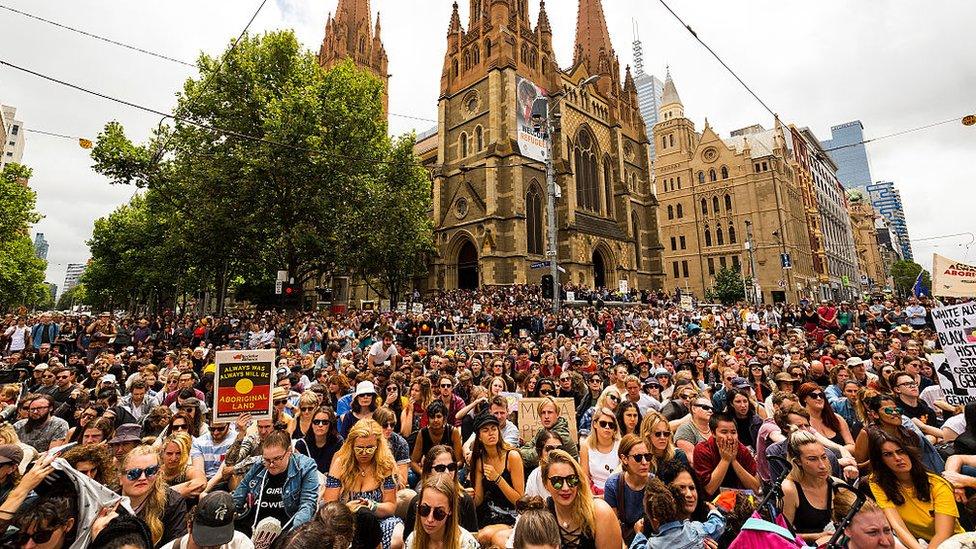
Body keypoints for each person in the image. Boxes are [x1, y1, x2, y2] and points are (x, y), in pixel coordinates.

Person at [866, 427, 963, 548]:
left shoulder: (937, 484)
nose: (898, 458)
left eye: (901, 451)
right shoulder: (877, 481)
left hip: (952, 543)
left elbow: (943, 534)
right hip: (917, 542)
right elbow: (897, 525)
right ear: (880, 461)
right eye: (888, 454)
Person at [323, 418, 404, 549]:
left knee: (396, 539)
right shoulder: (340, 463)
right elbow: (329, 505)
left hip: (379, 520)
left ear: (378, 446)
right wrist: (346, 509)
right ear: (351, 445)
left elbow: (391, 506)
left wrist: (373, 506)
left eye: (370, 448)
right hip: (345, 521)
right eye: (359, 448)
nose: (364, 453)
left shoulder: (385, 465)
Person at [232, 428, 319, 537]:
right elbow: (239, 494)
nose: (271, 464)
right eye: (267, 460)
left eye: (277, 459)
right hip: (253, 527)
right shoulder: (259, 464)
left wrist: (293, 535)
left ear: (289, 452)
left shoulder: (305, 466)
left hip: (287, 529)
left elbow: (308, 505)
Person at [541, 449, 623, 548]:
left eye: (572, 479)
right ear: (545, 484)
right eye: (557, 481)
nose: (566, 488)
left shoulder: (600, 513)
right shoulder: (542, 515)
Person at [119, 444, 189, 547]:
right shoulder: (109, 502)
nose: (142, 478)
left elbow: (174, 544)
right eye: (134, 473)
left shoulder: (172, 502)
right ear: (120, 478)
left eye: (150, 471)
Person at [403, 445, 479, 540]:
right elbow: (407, 540)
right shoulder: (416, 502)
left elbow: (472, 537)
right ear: (428, 471)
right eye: (440, 468)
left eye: (451, 467)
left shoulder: (465, 500)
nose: (447, 472)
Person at [471, 411, 524, 542]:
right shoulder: (480, 460)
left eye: (494, 429)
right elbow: (478, 500)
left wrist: (498, 479)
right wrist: (466, 495)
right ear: (479, 437)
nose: (491, 433)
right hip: (489, 512)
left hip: (512, 515)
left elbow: (519, 501)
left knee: (484, 536)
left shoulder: (512, 456)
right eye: (485, 430)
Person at [780, 430, 842, 542]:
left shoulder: (838, 485)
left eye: (824, 457)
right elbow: (782, 535)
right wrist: (816, 536)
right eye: (812, 459)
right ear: (798, 461)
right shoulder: (789, 489)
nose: (822, 465)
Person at [632, 476, 725, 549]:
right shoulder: (695, 531)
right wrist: (713, 510)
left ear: (655, 519)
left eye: (692, 487)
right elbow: (718, 524)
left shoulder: (653, 545)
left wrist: (639, 534)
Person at [692, 413, 760, 498]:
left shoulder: (742, 450)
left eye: (733, 432)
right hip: (712, 503)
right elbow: (709, 490)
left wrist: (734, 461)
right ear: (713, 433)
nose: (730, 437)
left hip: (741, 501)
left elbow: (756, 489)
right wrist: (725, 460)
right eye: (724, 432)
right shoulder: (703, 450)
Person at [404, 475, 480, 549]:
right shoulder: (412, 540)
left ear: (450, 510)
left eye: (439, 512)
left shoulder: (466, 544)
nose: (430, 519)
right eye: (424, 509)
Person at [159, 491, 255, 549]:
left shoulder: (240, 544)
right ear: (189, 525)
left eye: (215, 546)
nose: (207, 548)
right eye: (201, 544)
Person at [603, 434, 651, 544]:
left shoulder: (654, 483)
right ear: (624, 459)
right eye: (638, 458)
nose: (644, 462)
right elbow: (612, 526)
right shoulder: (613, 485)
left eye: (647, 457)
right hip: (624, 539)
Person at [519, 396, 579, 470]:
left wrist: (516, 453)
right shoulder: (543, 430)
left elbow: (531, 457)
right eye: (543, 413)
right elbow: (527, 447)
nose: (546, 416)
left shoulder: (560, 435)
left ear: (557, 414)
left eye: (550, 412)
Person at [578, 406, 619, 494]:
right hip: (594, 493)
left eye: (611, 425)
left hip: (617, 492)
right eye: (603, 423)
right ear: (595, 424)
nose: (607, 427)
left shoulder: (620, 445)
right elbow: (585, 478)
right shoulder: (585, 445)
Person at [294, 405, 343, 474]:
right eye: (316, 422)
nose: (320, 425)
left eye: (325, 422)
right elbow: (299, 472)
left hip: (330, 481)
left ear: (331, 424)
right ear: (312, 424)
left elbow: (334, 473)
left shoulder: (338, 442)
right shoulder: (301, 444)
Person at [160, 431, 207, 500]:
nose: (173, 458)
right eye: (169, 453)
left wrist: (167, 493)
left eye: (178, 453)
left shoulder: (186, 470)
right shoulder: (157, 471)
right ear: (162, 454)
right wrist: (178, 493)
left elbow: (201, 483)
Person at [674, 396, 713, 465]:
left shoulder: (715, 426)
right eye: (705, 407)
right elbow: (692, 461)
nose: (710, 411)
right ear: (694, 409)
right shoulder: (685, 429)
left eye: (712, 408)